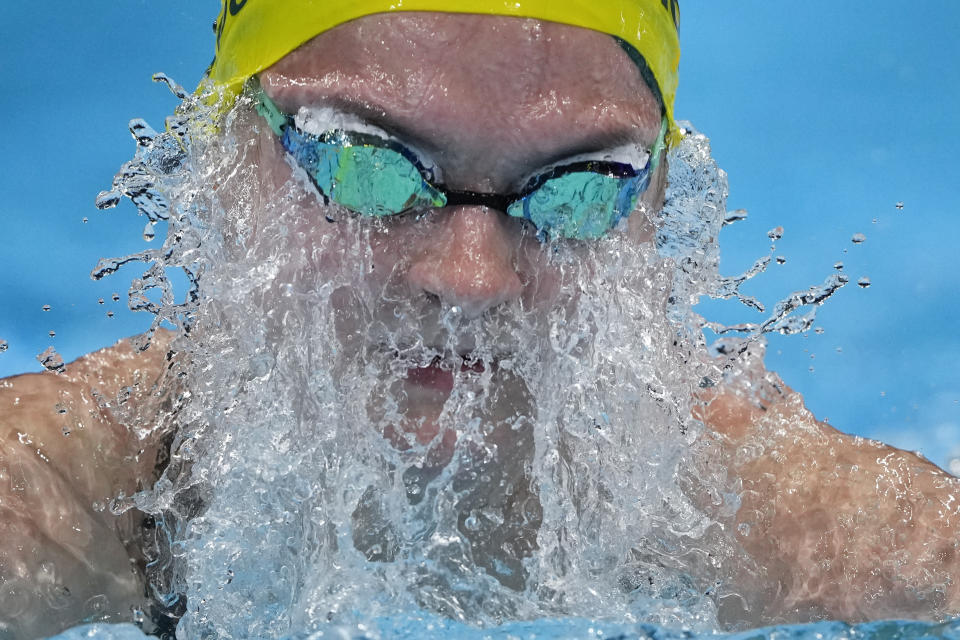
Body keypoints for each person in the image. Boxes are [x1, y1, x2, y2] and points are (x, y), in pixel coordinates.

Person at [1, 1, 958, 637]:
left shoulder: (773, 522)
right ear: (217, 159)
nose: (472, 278)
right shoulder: (67, 497)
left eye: (580, 189)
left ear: (662, 201)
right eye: (365, 165)